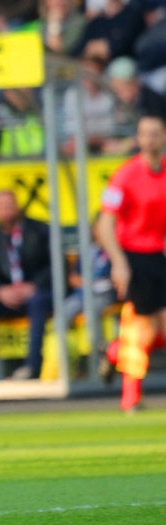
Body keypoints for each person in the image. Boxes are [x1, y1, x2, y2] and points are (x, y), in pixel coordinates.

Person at [96, 115, 166, 411]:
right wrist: (118, 262)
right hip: (132, 257)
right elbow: (104, 225)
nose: (148, 139)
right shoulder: (125, 175)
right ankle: (130, 397)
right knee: (139, 329)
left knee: (158, 332)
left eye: (154, 133)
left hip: (158, 257)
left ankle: (113, 352)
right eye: (143, 134)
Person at [0, 191, 54, 381]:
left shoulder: (40, 230)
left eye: (9, 205)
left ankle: (31, 367)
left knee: (37, 302)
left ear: (18, 206)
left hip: (38, 291)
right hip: (7, 294)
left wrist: (34, 285)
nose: (5, 211)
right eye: (0, 207)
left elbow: (55, 265)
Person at [62, 57, 117, 155]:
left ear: (100, 75)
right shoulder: (73, 94)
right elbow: (73, 129)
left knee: (115, 147)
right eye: (86, 74)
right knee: (69, 148)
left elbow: (108, 129)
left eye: (93, 74)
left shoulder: (108, 96)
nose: (90, 78)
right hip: (80, 141)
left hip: (103, 142)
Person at [72, 0, 145, 63]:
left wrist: (104, 48)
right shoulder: (97, 21)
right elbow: (80, 48)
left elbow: (122, 46)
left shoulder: (132, 15)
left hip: (118, 65)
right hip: (89, 65)